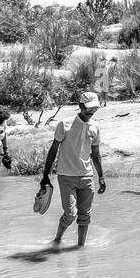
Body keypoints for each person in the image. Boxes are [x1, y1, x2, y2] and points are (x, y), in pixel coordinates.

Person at [39, 91, 107, 247]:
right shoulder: (65, 124)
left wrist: (101, 177)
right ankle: (57, 240)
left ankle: (80, 248)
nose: (91, 112)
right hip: (66, 176)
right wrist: (45, 176)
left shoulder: (95, 126)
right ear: (80, 106)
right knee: (70, 214)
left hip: (87, 177)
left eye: (94, 109)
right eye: (88, 109)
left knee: (85, 216)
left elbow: (96, 154)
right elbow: (53, 150)